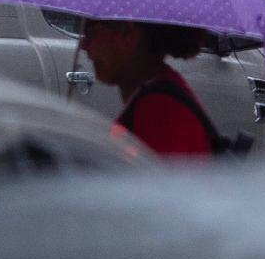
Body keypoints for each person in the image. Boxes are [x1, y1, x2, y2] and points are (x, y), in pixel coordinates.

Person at [76, 19, 225, 159]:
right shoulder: (155, 97)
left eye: (91, 31)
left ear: (128, 34)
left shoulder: (160, 111)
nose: (84, 44)